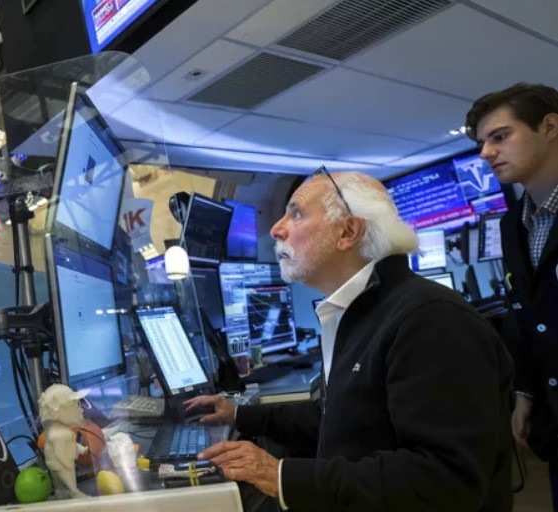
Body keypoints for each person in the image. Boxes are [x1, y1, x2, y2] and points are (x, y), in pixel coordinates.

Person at [185, 170, 514, 512]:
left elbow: (445, 480)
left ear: (348, 232)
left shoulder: (431, 319)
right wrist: (240, 415)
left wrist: (281, 476)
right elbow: (340, 417)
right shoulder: (359, 312)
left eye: (296, 213)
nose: (276, 229)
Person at [466, 83, 558, 509]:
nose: (486, 153)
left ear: (550, 127)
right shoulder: (512, 225)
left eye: (500, 136)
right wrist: (525, 393)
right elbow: (526, 315)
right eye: (483, 143)